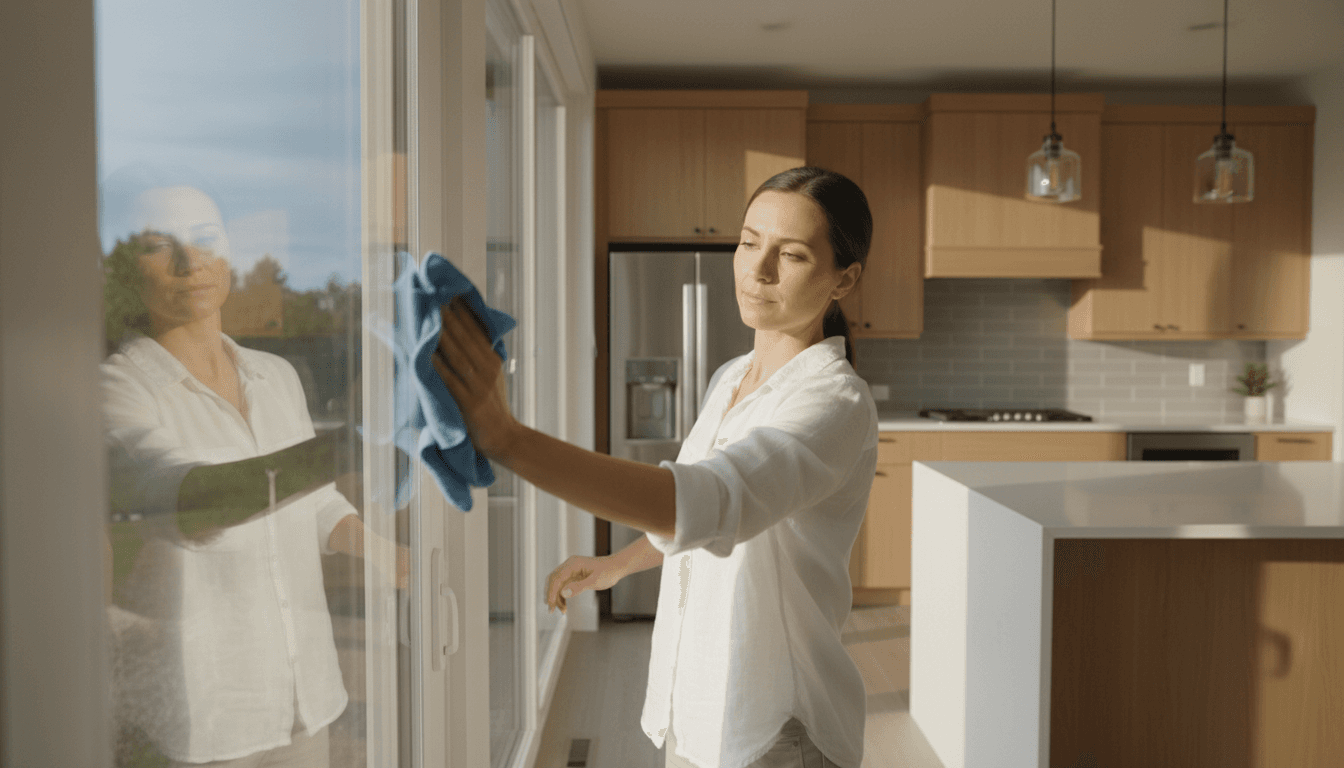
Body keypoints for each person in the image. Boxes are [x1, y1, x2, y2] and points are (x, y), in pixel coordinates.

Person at [434, 167, 879, 768]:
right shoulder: (729, 377)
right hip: (698, 704)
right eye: (749, 242)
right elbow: (693, 510)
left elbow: (710, 500)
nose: (758, 269)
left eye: (792, 254)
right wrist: (618, 565)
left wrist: (508, 439)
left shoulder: (834, 403)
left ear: (843, 279)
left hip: (775, 724)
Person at [100, 180, 405, 767]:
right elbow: (192, 502)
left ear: (230, 257)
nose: (192, 263)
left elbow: (315, 503)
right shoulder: (118, 389)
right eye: (159, 246)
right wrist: (361, 442)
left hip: (305, 690)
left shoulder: (275, 376)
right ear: (125, 272)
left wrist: (384, 552)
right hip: (204, 713)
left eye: (207, 239)